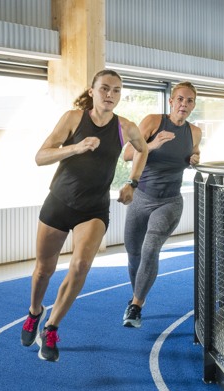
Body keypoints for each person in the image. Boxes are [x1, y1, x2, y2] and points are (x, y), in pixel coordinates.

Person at [20, 69, 149, 362]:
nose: (110, 95)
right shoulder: (73, 118)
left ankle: (51, 328)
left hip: (93, 209)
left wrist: (132, 181)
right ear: (92, 91)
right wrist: (76, 147)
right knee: (43, 270)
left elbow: (143, 150)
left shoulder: (126, 127)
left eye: (116, 90)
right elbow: (40, 157)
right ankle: (35, 312)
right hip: (59, 202)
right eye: (104, 88)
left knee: (80, 266)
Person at [120, 81, 202, 328]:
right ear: (171, 101)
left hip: (169, 201)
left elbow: (194, 155)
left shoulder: (195, 132)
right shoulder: (153, 121)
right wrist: (153, 145)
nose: (183, 104)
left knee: (150, 249)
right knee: (133, 253)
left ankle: (136, 306)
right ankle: (137, 295)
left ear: (193, 105)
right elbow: (126, 154)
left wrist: (196, 158)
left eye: (189, 101)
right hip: (141, 197)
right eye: (179, 99)